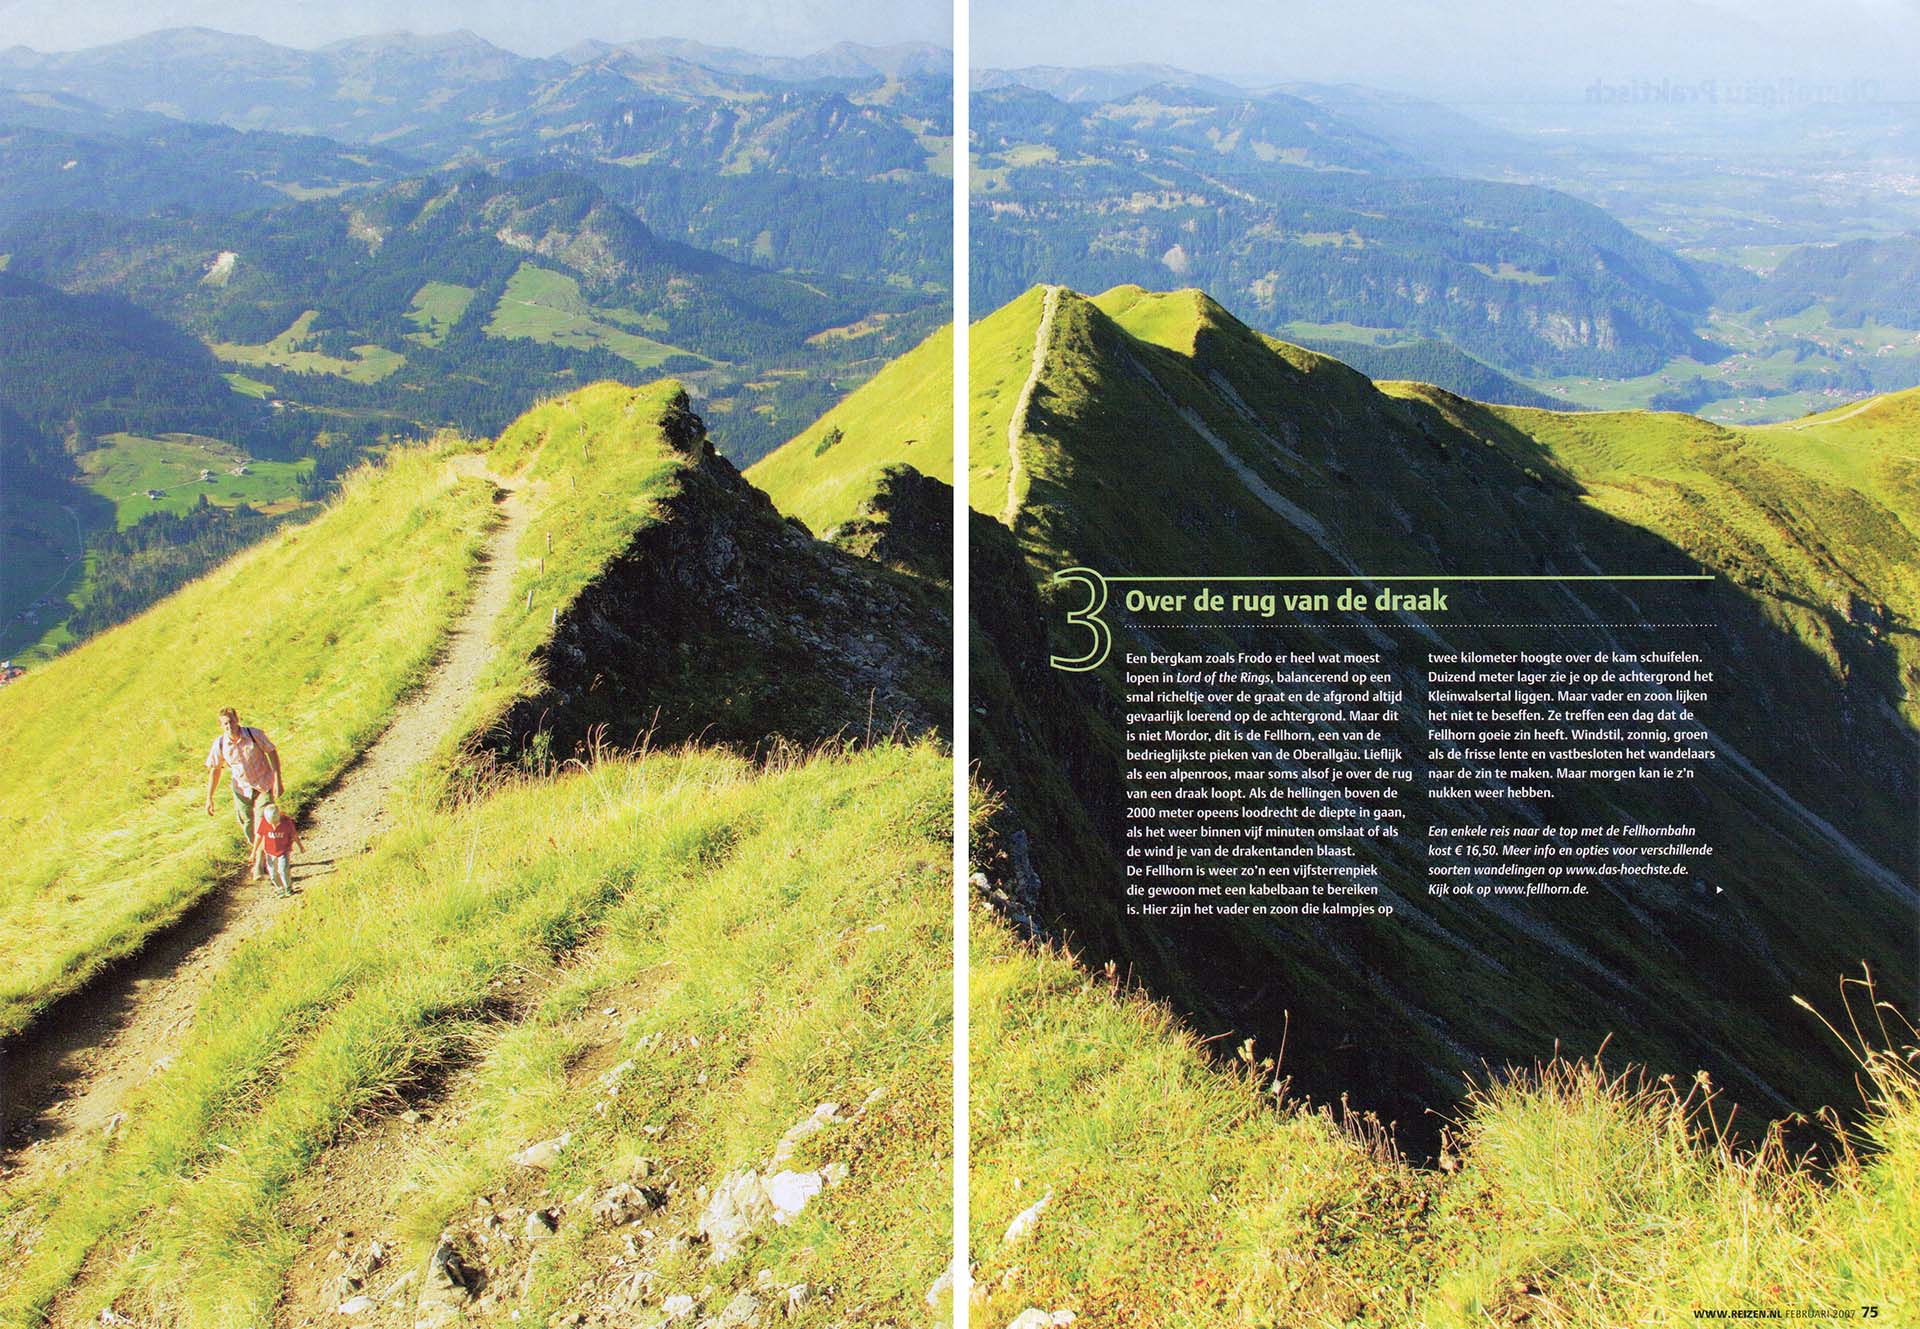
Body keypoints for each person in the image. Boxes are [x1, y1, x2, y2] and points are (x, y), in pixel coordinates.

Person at [205, 708, 283, 875]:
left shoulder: (254, 734)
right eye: (225, 723)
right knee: (247, 824)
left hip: (263, 784)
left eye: (231, 721)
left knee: (262, 823)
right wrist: (209, 797)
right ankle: (264, 852)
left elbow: (271, 752)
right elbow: (215, 769)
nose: (229, 726)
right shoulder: (220, 744)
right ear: (221, 725)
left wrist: (277, 780)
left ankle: (259, 863)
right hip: (241, 789)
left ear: (237, 719)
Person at [250, 799, 304, 898]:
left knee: (283, 870)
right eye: (271, 824)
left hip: (283, 851)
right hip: (270, 852)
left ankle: (288, 887)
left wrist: (300, 846)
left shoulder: (287, 822)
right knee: (273, 873)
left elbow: (294, 836)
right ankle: (279, 888)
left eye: (276, 823)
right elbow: (259, 837)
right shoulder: (264, 823)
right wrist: (253, 852)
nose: (274, 826)